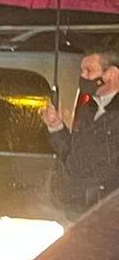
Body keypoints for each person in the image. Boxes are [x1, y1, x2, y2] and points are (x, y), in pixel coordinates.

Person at [42, 51, 119, 215]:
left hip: (107, 215)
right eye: (82, 71)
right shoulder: (88, 110)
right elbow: (72, 155)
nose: (83, 76)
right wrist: (56, 127)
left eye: (89, 71)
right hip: (77, 210)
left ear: (111, 74)